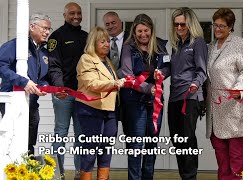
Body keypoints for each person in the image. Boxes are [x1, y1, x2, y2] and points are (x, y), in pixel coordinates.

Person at [206, 8, 243, 179]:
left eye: (222, 26)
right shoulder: (211, 46)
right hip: (216, 111)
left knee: (237, 160)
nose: (217, 29)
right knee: (222, 160)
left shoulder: (239, 44)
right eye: (215, 25)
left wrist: (240, 88)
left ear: (231, 27)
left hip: (234, 109)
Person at [120, 13, 169, 180]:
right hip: (135, 101)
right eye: (139, 31)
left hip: (155, 103)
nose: (143, 35)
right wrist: (149, 88)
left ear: (151, 30)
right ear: (134, 32)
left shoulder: (160, 46)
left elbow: (168, 67)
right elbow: (128, 75)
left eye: (146, 31)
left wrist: (161, 72)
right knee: (136, 144)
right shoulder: (128, 48)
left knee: (151, 144)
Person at [75, 26, 125, 180]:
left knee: (106, 147)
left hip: (110, 110)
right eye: (102, 41)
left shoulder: (107, 60)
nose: (106, 44)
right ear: (93, 43)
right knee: (90, 148)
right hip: (91, 109)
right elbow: (92, 84)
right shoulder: (86, 58)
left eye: (107, 41)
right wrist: (114, 83)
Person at [47, 2, 88, 179]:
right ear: (64, 15)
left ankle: (79, 172)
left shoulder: (87, 37)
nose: (76, 16)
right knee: (60, 133)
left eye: (79, 13)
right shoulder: (56, 37)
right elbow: (54, 65)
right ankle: (58, 173)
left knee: (81, 135)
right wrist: (58, 88)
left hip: (82, 96)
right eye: (72, 13)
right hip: (63, 94)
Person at [0, 13, 51, 155]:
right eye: (44, 28)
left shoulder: (43, 51)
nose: (47, 32)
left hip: (32, 102)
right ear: (32, 27)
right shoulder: (15, 45)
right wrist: (23, 82)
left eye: (49, 29)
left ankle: (27, 171)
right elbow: (1, 66)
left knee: (30, 140)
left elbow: (41, 77)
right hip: (13, 100)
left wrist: (43, 86)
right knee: (13, 137)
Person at [167, 7, 207, 180]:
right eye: (176, 24)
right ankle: (184, 175)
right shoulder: (177, 45)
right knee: (177, 140)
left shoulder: (197, 43)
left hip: (190, 97)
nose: (180, 27)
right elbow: (172, 69)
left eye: (183, 24)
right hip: (174, 97)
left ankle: (190, 176)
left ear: (190, 24)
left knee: (187, 139)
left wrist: (195, 84)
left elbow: (202, 71)